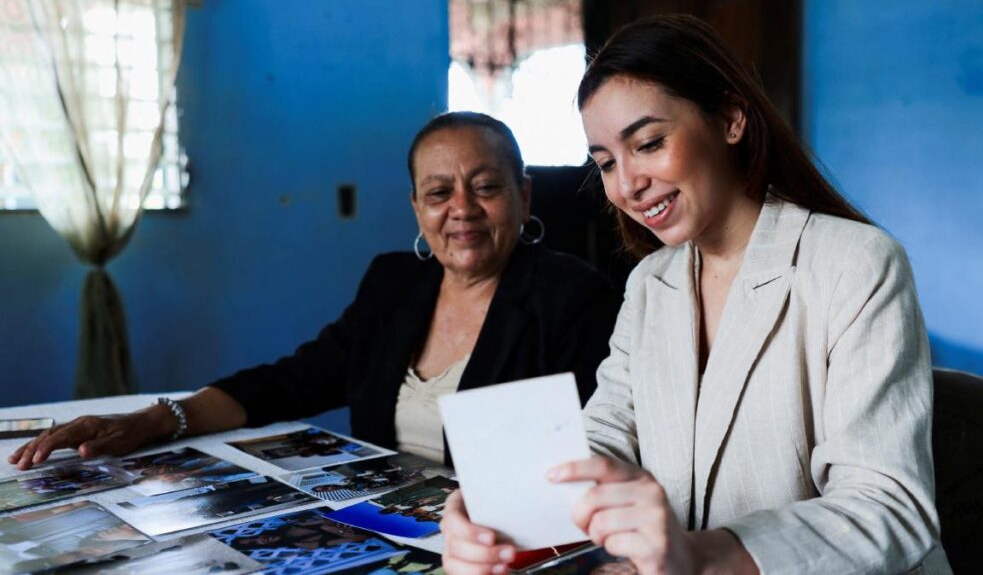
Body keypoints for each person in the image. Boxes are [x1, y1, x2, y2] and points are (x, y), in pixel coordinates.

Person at [440, 15, 951, 575]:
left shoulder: (856, 263)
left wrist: (699, 556)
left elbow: (889, 508)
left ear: (731, 120)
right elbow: (609, 433)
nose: (627, 184)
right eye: (606, 162)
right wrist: (504, 508)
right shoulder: (651, 283)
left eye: (649, 143)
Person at [10, 111, 619, 470]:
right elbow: (299, 378)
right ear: (416, 208)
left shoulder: (572, 298)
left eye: (485, 187)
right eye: (438, 193)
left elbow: (587, 457)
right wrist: (160, 418)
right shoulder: (394, 281)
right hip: (383, 528)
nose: (462, 209)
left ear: (525, 196)